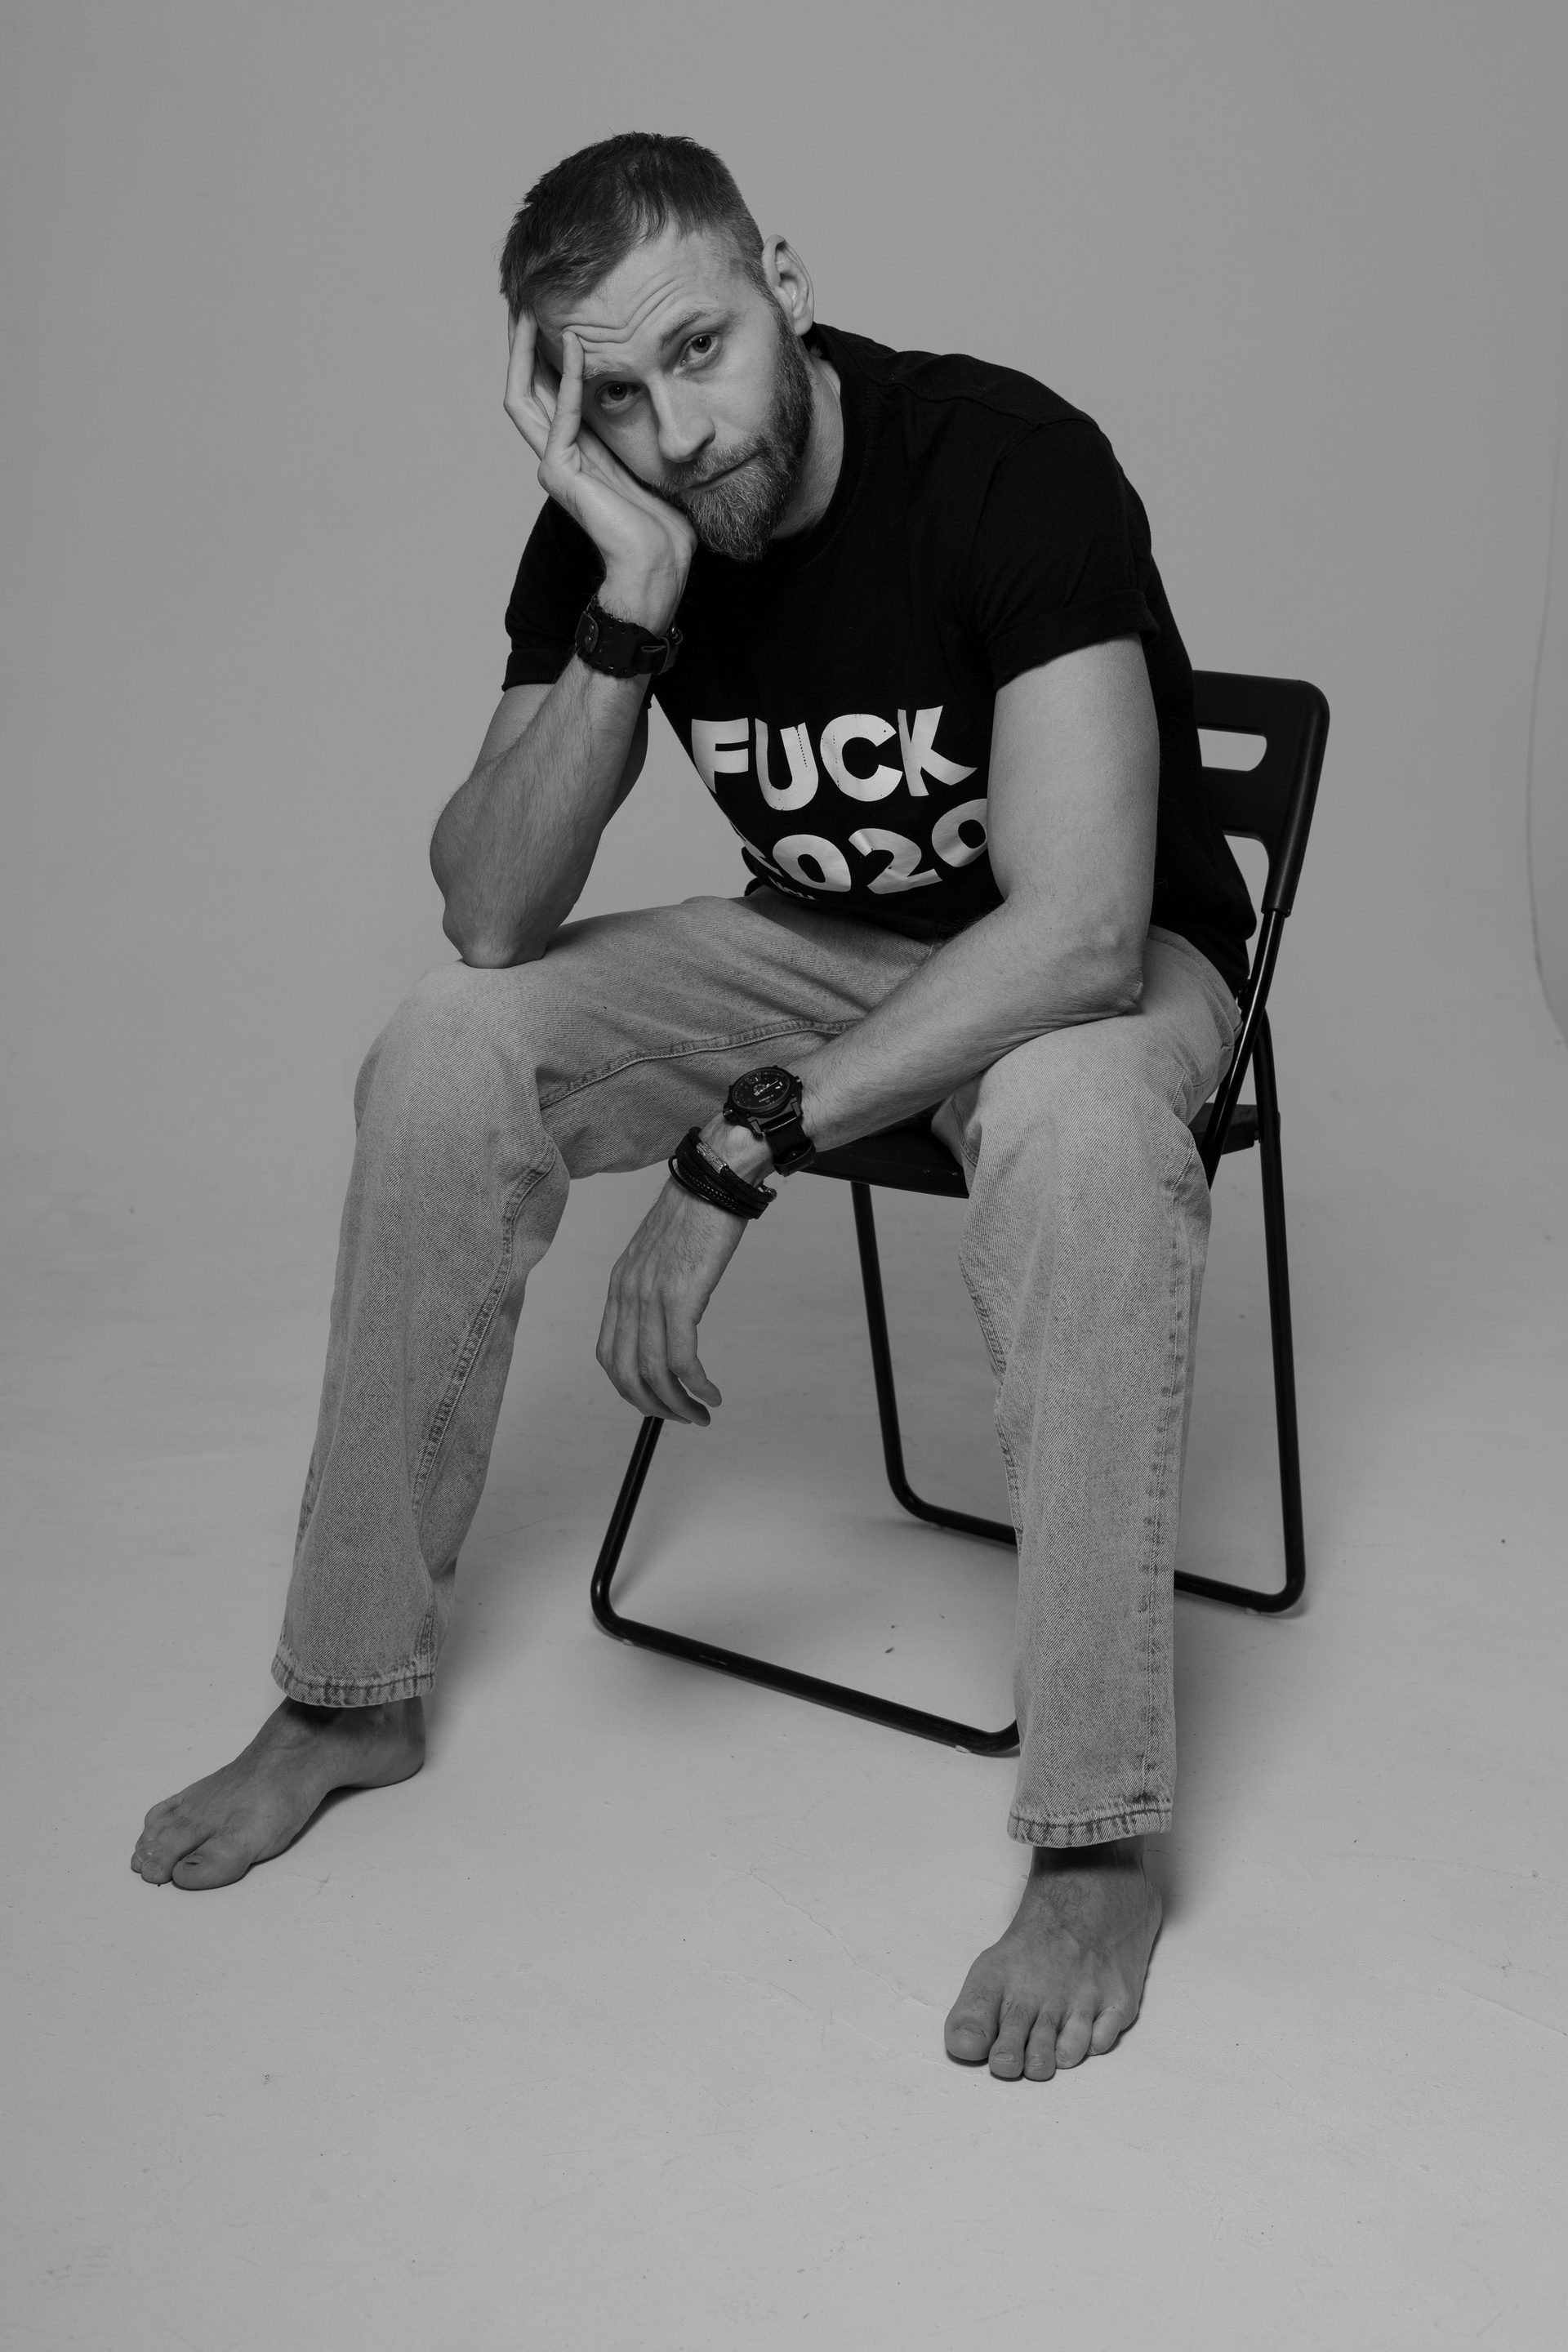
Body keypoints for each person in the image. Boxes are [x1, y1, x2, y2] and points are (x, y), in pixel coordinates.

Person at [131, 131, 1253, 2082]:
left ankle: (1095, 1837)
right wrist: (630, 596)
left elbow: (1079, 928)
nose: (680, 430)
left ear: (784, 284)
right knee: (449, 1045)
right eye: (617, 398)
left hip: (1085, 967)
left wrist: (746, 1141)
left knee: (1073, 1135)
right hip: (815, 951)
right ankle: (348, 1691)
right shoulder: (621, 523)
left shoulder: (1005, 461)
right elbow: (491, 911)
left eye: (703, 350)